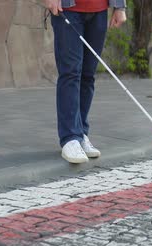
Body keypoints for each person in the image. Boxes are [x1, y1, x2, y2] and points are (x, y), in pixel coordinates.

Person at [45, 0, 127, 163]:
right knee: (71, 73)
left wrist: (120, 6)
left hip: (99, 10)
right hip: (68, 8)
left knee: (88, 75)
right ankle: (70, 138)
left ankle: (81, 133)